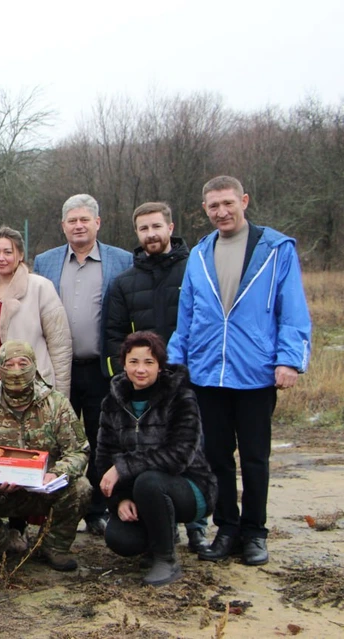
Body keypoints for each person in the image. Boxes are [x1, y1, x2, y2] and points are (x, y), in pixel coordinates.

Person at [168, 176, 311, 566]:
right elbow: (188, 314)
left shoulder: (275, 249)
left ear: (243, 201)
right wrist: (177, 360)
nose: (221, 212)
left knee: (254, 457)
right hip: (207, 372)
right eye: (213, 206)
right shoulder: (199, 254)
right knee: (216, 456)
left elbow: (292, 308)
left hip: (256, 372)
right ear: (205, 210)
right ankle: (226, 528)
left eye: (228, 203)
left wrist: (289, 359)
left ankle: (254, 532)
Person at [104, 202, 209, 553]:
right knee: (143, 450)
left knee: (192, 450)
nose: (151, 234)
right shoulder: (125, 283)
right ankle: (152, 525)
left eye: (156, 227)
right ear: (136, 233)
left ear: (170, 226)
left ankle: (197, 526)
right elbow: (114, 333)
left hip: (190, 380)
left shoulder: (195, 270)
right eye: (143, 229)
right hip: (142, 380)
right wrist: (133, 373)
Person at [33, 195, 133, 536]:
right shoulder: (45, 262)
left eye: (85, 220)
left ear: (97, 223)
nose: (78, 225)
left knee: (100, 437)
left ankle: (97, 509)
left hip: (101, 368)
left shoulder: (121, 260)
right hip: (59, 369)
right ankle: (53, 507)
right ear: (63, 226)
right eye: (72, 220)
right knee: (57, 439)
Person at [97, 332, 218, 586]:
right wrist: (120, 499)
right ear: (124, 363)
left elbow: (178, 456)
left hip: (189, 486)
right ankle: (156, 540)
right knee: (120, 539)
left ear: (160, 365)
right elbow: (104, 457)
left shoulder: (181, 398)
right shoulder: (112, 402)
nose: (141, 369)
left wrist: (123, 468)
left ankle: (166, 559)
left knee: (149, 482)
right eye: (134, 362)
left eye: (149, 362)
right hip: (139, 492)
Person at [0, 340, 90, 571]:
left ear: (34, 365)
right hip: (0, 490)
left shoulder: (56, 404)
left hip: (44, 488)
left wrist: (56, 473)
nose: (17, 370)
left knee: (81, 488)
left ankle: (53, 547)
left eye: (23, 363)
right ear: (0, 367)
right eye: (9, 364)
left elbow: (78, 450)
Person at [0, 226, 71, 397]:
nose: (1, 258)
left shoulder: (40, 288)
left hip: (29, 392)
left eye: (8, 252)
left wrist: (60, 398)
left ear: (20, 255)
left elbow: (60, 347)